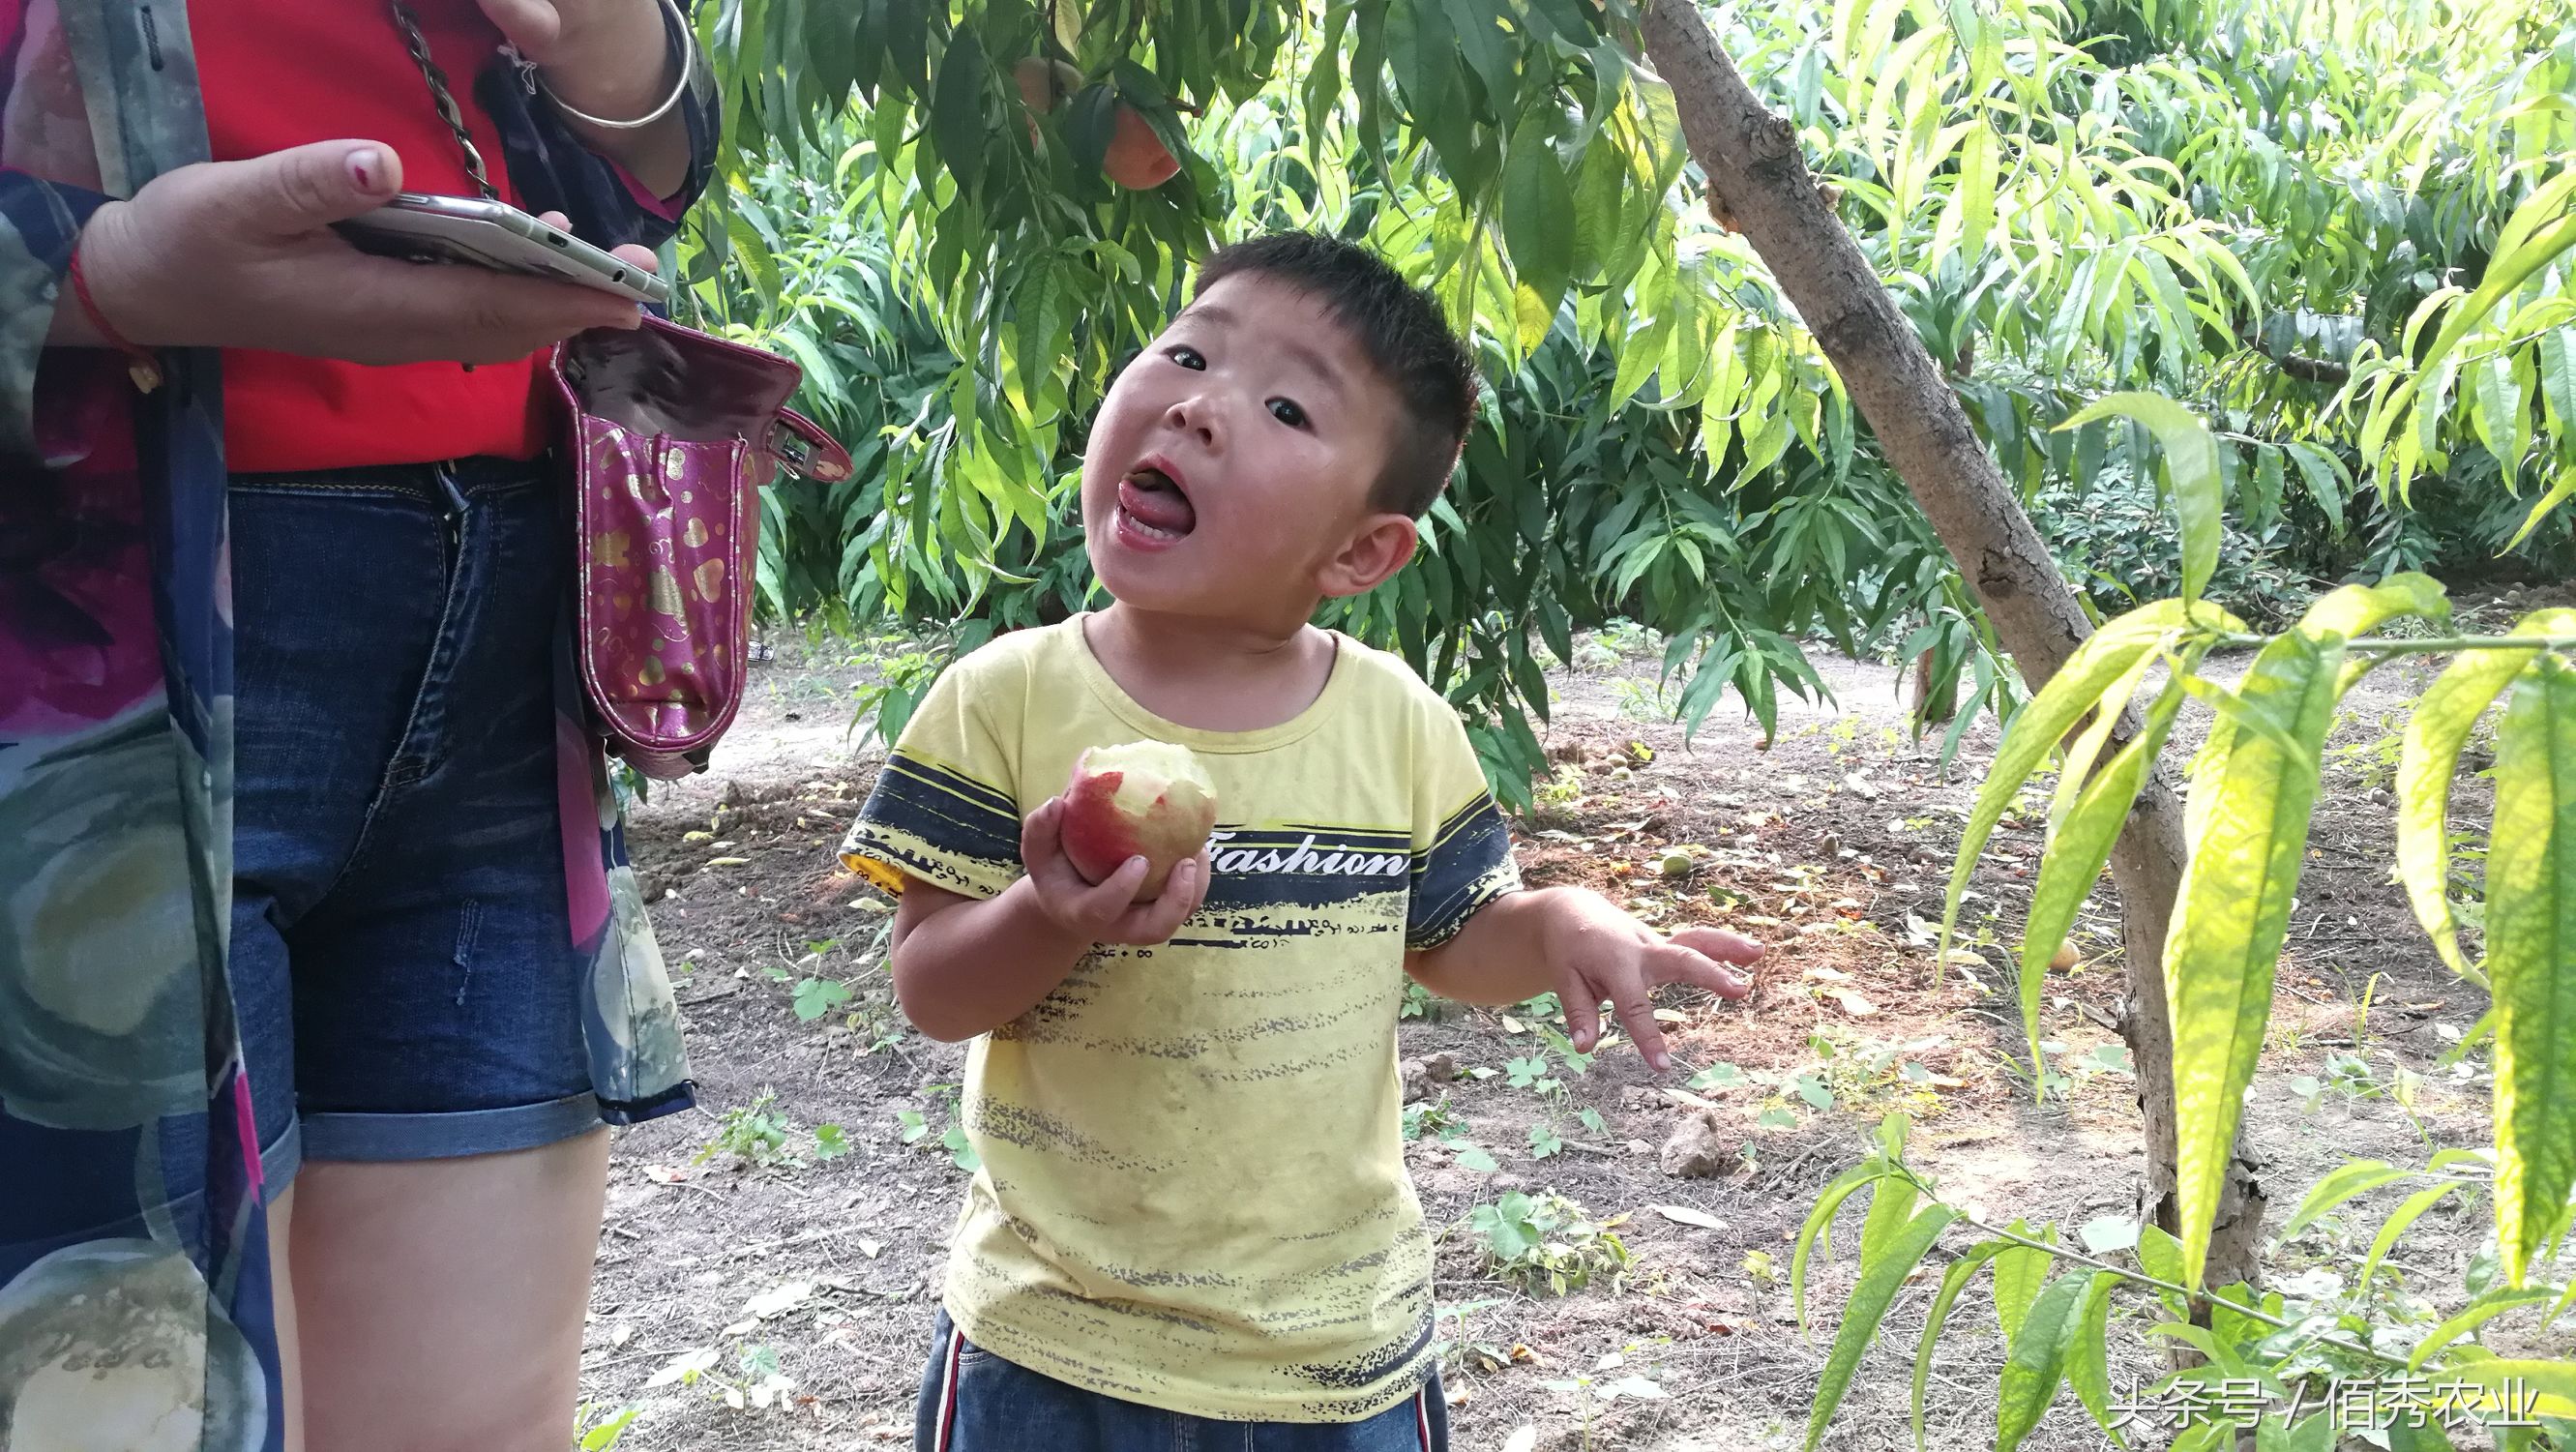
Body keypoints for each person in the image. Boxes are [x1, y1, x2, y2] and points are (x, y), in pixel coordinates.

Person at [838, 233, 1768, 1451]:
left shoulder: (1393, 725)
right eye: (1186, 351)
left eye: (1282, 404)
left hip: (1331, 1353)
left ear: (1360, 551)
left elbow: (1449, 942)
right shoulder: (1001, 699)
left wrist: (1556, 924)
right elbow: (931, 989)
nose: (1198, 404)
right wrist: (1043, 912)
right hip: (1053, 1339)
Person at [0, 3, 712, 1449]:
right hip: (91, 657)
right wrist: (97, 271)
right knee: (121, 1408)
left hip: (509, 617)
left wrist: (608, 39)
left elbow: (650, 157)